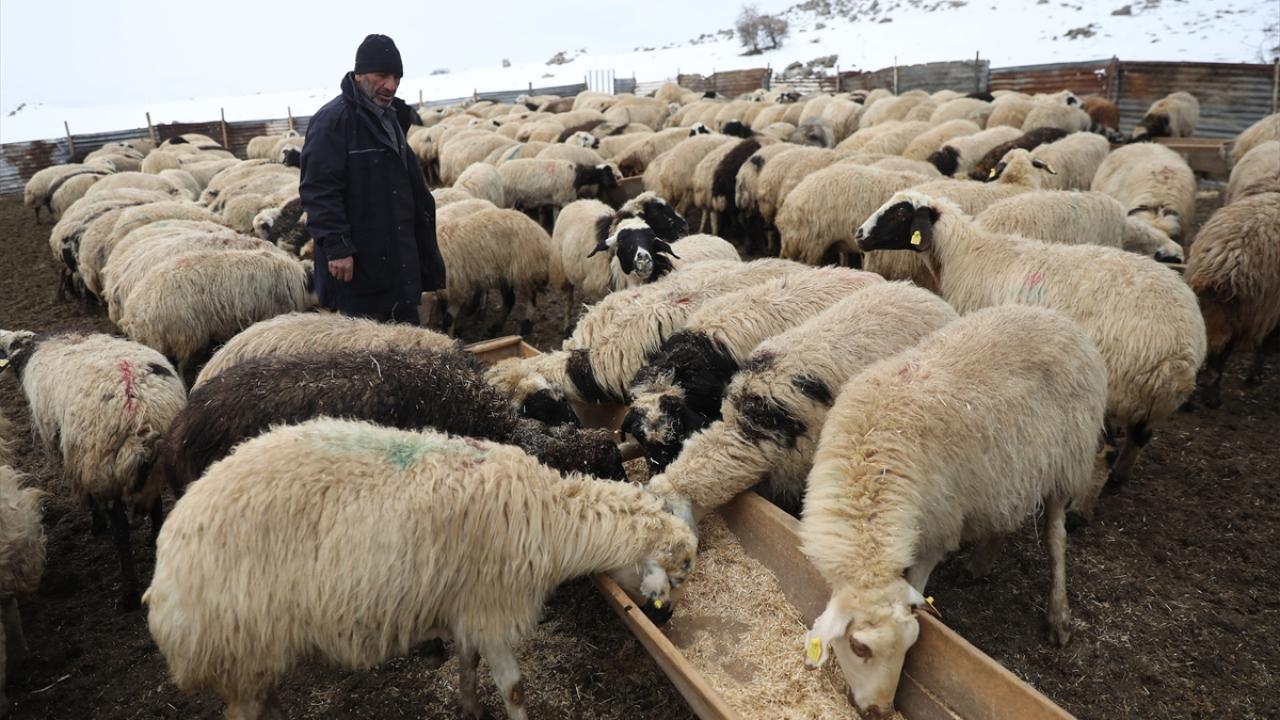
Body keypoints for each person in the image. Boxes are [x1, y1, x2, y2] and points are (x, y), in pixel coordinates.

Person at [299, 34, 445, 324]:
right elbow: (319, 190)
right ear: (360, 74)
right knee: (368, 354)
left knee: (407, 347)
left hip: (397, 256)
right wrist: (338, 246)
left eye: (396, 77)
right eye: (382, 75)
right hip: (360, 266)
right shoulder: (333, 121)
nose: (390, 85)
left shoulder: (392, 118)